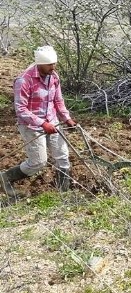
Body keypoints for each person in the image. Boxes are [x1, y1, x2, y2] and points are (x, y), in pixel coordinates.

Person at [0, 45, 77, 200]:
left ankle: (64, 194)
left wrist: (67, 118)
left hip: (52, 121)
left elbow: (58, 101)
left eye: (54, 64)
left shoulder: (54, 77)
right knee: (38, 163)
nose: (53, 67)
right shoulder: (24, 80)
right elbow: (20, 109)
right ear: (40, 64)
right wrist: (42, 123)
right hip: (31, 126)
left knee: (62, 157)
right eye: (49, 65)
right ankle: (5, 177)